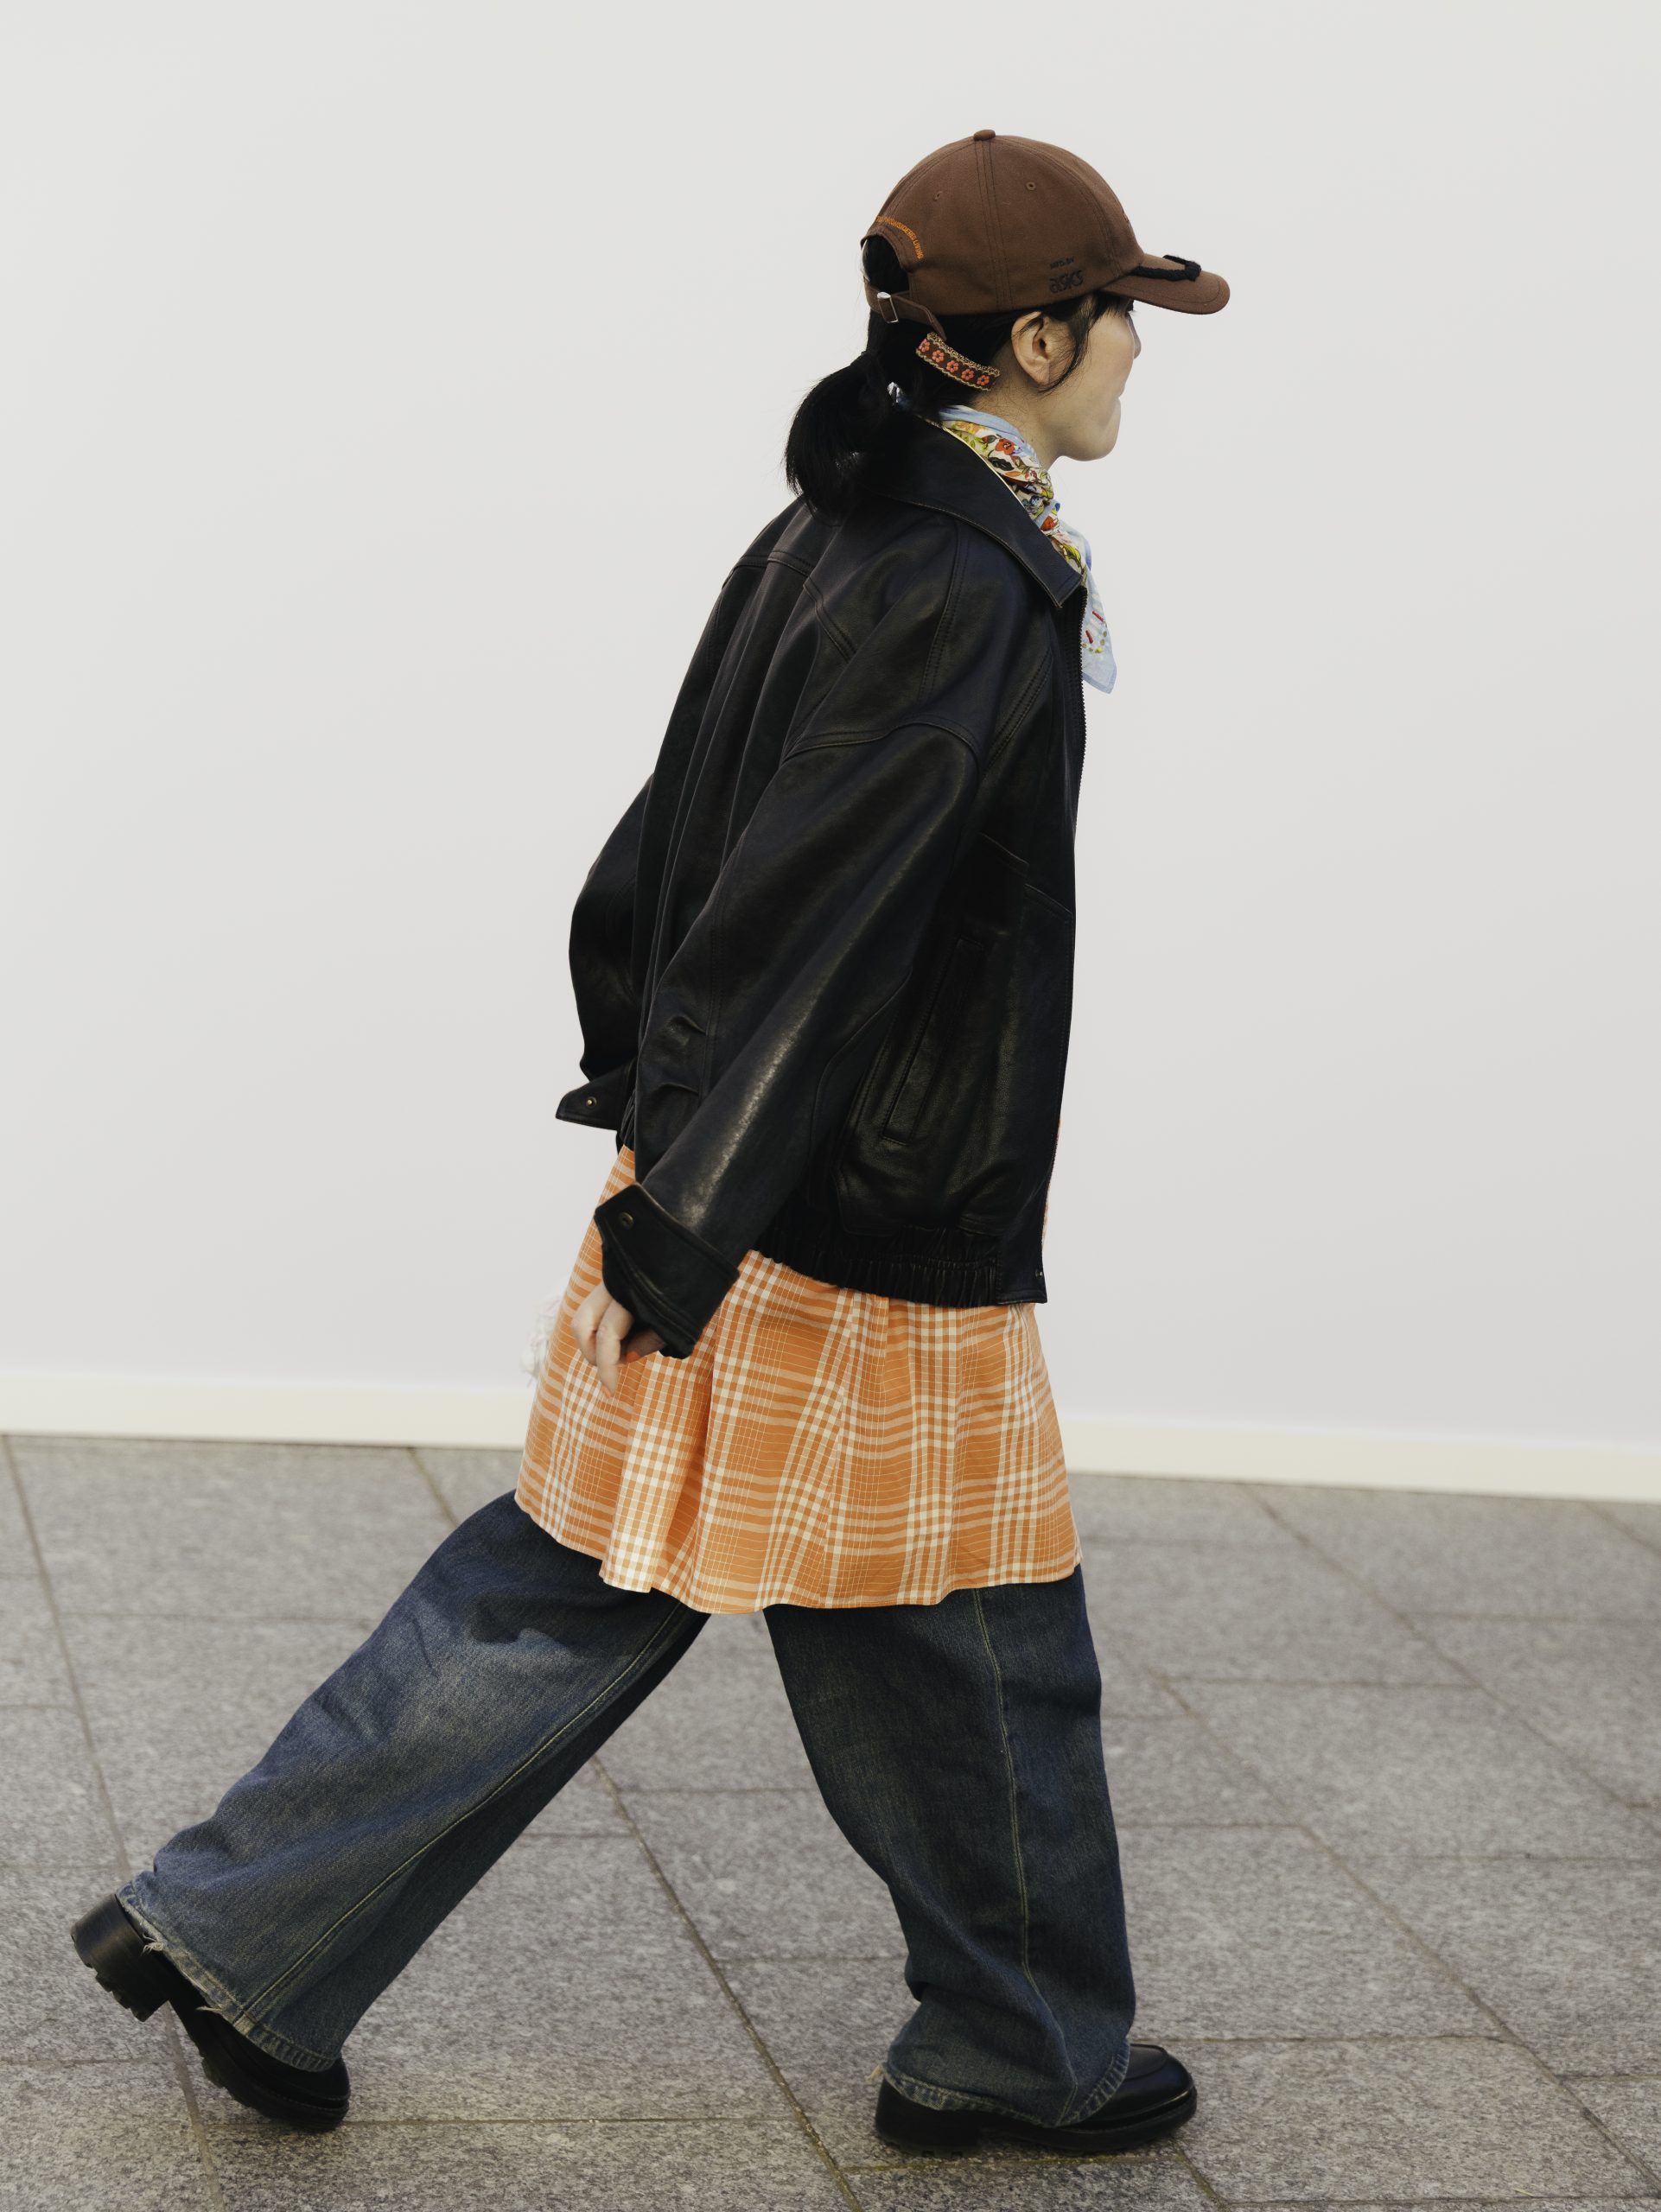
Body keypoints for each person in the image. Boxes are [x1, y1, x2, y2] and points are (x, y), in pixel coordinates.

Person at [70, 130, 1228, 2158]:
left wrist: (664, 1146)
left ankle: (245, 1930)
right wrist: (693, 1209)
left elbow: (660, 849)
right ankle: (1019, 2044)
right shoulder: (960, 572)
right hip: (850, 1215)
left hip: (749, 1172)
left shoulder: (845, 521)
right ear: (1036, 338)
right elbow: (822, 909)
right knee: (962, 1626)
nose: (1140, 350)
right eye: (1121, 315)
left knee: (663, 1591)